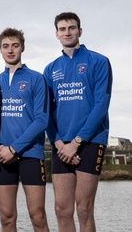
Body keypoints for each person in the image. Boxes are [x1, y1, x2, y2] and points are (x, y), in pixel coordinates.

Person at [43, 12, 113, 232]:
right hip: (61, 145)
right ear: (56, 34)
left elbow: (101, 105)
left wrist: (77, 142)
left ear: (79, 31)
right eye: (62, 29)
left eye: (71, 28)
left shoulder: (99, 61)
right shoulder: (50, 69)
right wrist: (58, 143)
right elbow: (47, 112)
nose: (67, 32)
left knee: (84, 209)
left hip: (91, 141)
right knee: (62, 210)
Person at [0, 28, 49, 231]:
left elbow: (42, 120)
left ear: (22, 47)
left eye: (15, 45)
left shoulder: (36, 78)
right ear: (0, 49)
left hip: (30, 155)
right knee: (6, 218)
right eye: (5, 46)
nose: (10, 50)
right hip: (2, 156)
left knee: (38, 216)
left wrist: (14, 149)